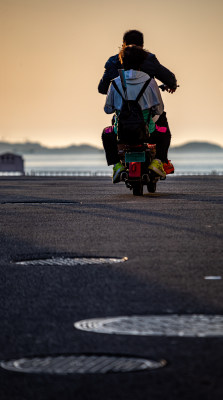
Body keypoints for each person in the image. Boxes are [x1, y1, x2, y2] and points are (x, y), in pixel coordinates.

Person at [99, 29, 177, 175]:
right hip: (147, 130)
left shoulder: (114, 79)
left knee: (108, 131)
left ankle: (117, 166)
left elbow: (107, 107)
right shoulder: (150, 78)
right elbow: (159, 109)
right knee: (164, 130)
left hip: (121, 131)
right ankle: (159, 161)